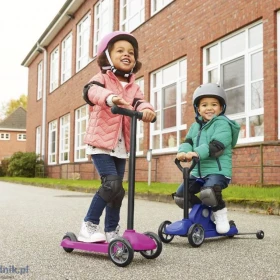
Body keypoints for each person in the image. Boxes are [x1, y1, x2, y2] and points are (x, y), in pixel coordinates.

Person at [78, 31, 156, 243]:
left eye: (131, 52)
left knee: (118, 191)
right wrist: (110, 97)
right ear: (108, 56)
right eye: (120, 50)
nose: (127, 54)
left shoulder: (133, 86)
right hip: (101, 143)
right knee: (111, 184)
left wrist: (147, 109)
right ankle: (89, 226)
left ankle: (112, 231)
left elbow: (140, 102)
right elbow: (91, 92)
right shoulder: (101, 79)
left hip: (121, 146)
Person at [173, 83, 240, 234]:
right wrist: (183, 152)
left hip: (218, 171)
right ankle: (203, 215)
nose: (209, 108)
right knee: (180, 196)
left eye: (214, 104)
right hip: (197, 171)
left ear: (222, 107)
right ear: (197, 108)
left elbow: (217, 145)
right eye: (204, 105)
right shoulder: (195, 127)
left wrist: (196, 153)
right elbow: (188, 142)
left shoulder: (223, 124)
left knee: (209, 192)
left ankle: (220, 215)